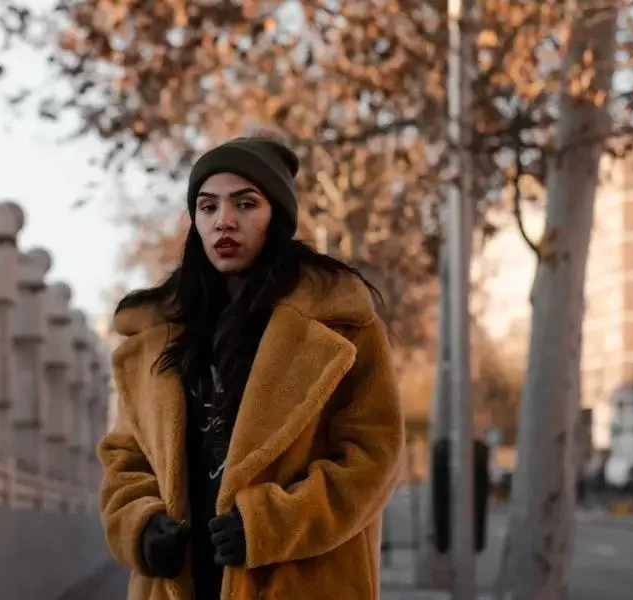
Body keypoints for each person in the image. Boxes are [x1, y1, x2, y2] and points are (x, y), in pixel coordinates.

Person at [98, 129, 405, 600]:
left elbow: (373, 457)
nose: (224, 221)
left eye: (245, 204)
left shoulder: (339, 326)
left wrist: (272, 523)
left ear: (276, 216)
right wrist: (140, 526)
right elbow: (126, 459)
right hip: (180, 583)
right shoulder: (156, 338)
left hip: (298, 580)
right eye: (208, 206)